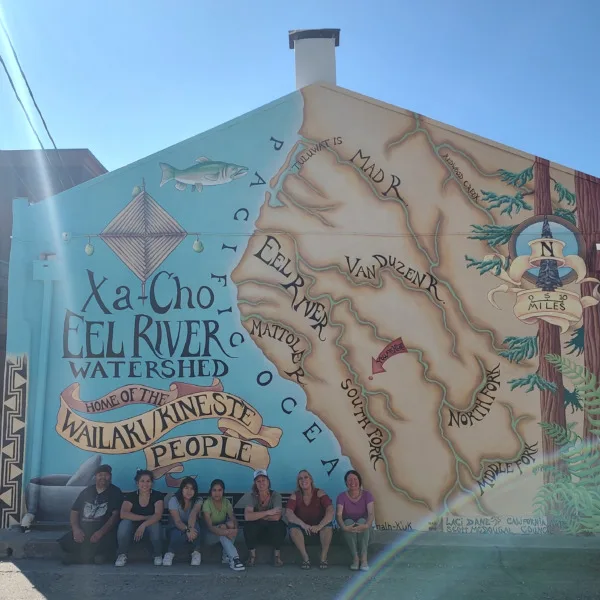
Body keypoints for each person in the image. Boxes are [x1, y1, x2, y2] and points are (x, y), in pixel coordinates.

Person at [58, 464, 122, 565]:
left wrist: (101, 532)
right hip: (85, 529)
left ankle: (79, 558)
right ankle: (93, 558)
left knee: (106, 543)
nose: (103, 477)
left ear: (110, 477)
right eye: (100, 475)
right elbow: (74, 511)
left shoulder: (115, 492)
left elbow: (115, 516)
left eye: (106, 475)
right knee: (66, 542)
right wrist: (76, 530)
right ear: (95, 477)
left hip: (103, 531)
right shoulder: (87, 491)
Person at [115, 469, 165, 567]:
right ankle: (122, 554)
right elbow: (123, 514)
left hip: (149, 527)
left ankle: (157, 554)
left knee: (155, 525)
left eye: (148, 481)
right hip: (133, 529)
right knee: (124, 523)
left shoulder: (157, 495)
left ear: (152, 483)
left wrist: (143, 525)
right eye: (142, 481)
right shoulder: (131, 496)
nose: (145, 484)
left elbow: (158, 515)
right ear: (137, 483)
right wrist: (145, 518)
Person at [286, 469, 334, 569]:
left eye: (306, 477)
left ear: (311, 479)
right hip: (302, 532)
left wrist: (319, 526)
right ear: (298, 482)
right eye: (300, 479)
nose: (303, 480)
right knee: (293, 528)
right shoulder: (295, 495)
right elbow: (288, 513)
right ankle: (305, 558)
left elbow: (330, 511)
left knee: (327, 527)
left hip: (318, 531)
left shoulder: (319, 493)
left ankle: (323, 558)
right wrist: (303, 525)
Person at [238, 469, 287, 567]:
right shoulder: (251, 496)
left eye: (263, 480)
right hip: (258, 531)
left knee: (280, 526)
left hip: (271, 530)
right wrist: (268, 512)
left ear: (268, 482)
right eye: (258, 481)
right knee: (248, 526)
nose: (261, 483)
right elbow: (247, 517)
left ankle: (277, 556)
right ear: (255, 483)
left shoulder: (276, 495)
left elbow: (277, 517)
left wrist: (257, 516)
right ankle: (252, 556)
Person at [336, 469, 375, 571]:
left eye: (355, 479)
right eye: (349, 480)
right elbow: (339, 515)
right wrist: (344, 527)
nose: (352, 482)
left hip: (365, 531)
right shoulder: (341, 497)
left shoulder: (367, 495)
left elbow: (371, 514)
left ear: (359, 480)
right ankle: (355, 558)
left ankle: (364, 559)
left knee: (363, 521)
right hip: (349, 532)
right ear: (346, 483)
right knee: (348, 522)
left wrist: (366, 525)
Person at [202, 479, 245, 571]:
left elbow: (233, 518)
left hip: (221, 530)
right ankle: (234, 559)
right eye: (214, 490)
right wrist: (225, 532)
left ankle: (226, 556)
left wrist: (235, 529)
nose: (217, 493)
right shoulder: (207, 503)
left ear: (223, 491)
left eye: (219, 490)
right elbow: (209, 527)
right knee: (223, 532)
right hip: (208, 535)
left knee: (230, 524)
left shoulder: (226, 502)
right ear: (211, 491)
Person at [162, 477, 203, 567]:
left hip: (191, 524)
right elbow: (177, 521)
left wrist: (191, 529)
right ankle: (170, 552)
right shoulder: (174, 500)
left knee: (197, 529)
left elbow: (193, 514)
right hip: (175, 526)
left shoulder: (198, 500)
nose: (189, 491)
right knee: (177, 534)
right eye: (186, 488)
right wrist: (187, 530)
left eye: (192, 488)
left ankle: (196, 552)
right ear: (181, 489)